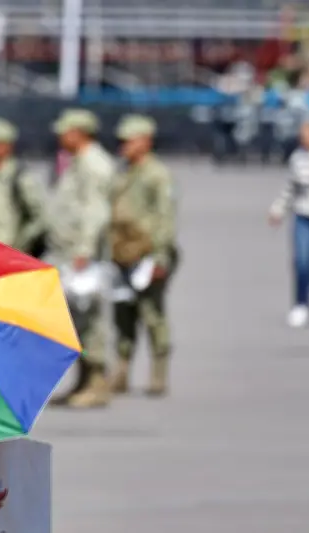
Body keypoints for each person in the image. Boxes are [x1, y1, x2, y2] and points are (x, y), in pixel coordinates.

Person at [45, 109, 115, 409]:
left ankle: (97, 383)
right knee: (75, 319)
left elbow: (95, 211)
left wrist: (84, 249)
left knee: (89, 318)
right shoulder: (78, 162)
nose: (60, 136)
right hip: (68, 253)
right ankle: (83, 380)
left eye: (65, 131)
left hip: (81, 256)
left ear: (80, 132)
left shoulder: (94, 164)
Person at [110, 115, 179, 396]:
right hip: (122, 252)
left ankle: (158, 372)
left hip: (148, 253)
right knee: (122, 314)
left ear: (146, 141)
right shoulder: (123, 172)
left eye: (129, 140)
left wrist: (160, 257)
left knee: (152, 314)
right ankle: (122, 370)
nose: (123, 145)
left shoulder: (157, 175)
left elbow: (166, 218)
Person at [269, 119, 309, 328]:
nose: (302, 137)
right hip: (304, 215)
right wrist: (278, 209)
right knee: (302, 261)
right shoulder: (297, 158)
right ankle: (301, 303)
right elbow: (290, 187)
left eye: (306, 133)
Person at [0, 117, 49, 257]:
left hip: (12, 253)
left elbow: (39, 218)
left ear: (6, 146)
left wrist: (21, 244)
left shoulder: (20, 178)